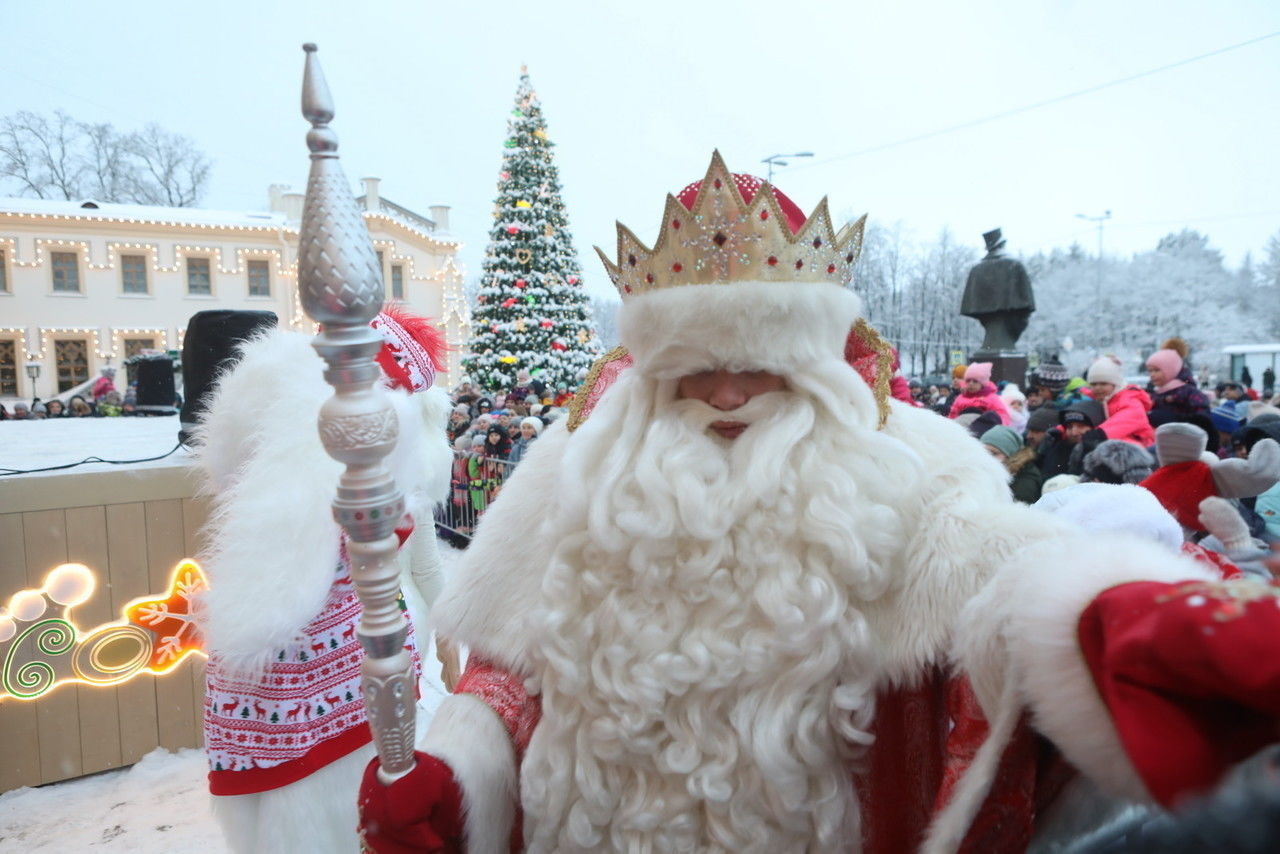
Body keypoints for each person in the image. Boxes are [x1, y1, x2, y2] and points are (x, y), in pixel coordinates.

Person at [358, 154, 1280, 853]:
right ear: (649, 370)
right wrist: (453, 772)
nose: (726, 396)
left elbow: (1008, 576)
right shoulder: (579, 467)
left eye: (757, 368)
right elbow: (506, 681)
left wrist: (1106, 621)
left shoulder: (904, 458)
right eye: (695, 372)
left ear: (814, 363)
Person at [193, 306, 454, 853]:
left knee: (296, 807)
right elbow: (275, 581)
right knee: (326, 805)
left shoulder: (276, 421)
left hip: (313, 665)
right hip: (331, 666)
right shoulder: (329, 437)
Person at [1086, 356, 1154, 446]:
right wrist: (1062, 430)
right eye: (1093, 384)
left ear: (1116, 384)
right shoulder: (1095, 400)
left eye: (1103, 383)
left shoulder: (1129, 398)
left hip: (1140, 445)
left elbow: (1129, 418)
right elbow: (1080, 417)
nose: (1098, 388)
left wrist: (1101, 433)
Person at [979, 425, 1042, 503]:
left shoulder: (1025, 482)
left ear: (1010, 455)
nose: (987, 457)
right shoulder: (982, 473)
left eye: (994, 453)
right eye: (983, 452)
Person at [1145, 348, 1209, 424]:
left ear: (1170, 370)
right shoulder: (1155, 394)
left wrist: (1174, 419)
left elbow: (1204, 420)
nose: (1152, 375)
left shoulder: (1189, 392)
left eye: (1156, 370)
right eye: (1150, 371)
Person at [946, 362, 1010, 424]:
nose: (971, 384)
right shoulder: (960, 398)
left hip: (984, 430)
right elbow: (953, 415)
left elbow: (1002, 415)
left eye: (975, 381)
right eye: (968, 381)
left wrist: (998, 424)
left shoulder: (991, 398)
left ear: (982, 384)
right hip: (963, 429)